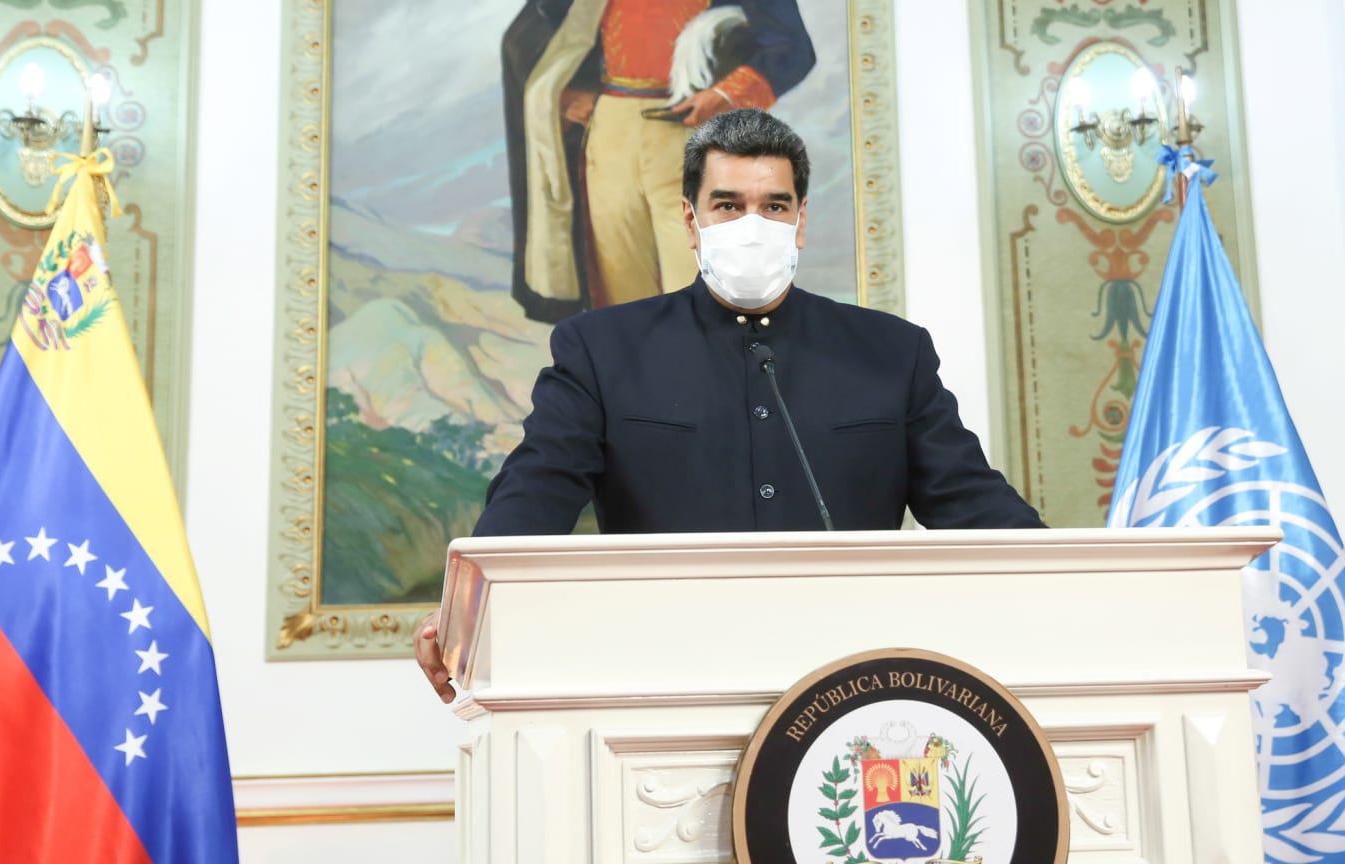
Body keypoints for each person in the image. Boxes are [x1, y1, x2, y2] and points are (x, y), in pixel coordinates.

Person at [417, 110, 1042, 700]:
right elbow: (537, 488)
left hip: (850, 682)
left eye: (774, 206)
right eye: (728, 205)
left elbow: (972, 503)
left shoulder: (890, 352)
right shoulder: (603, 349)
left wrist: (1064, 584)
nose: (753, 225)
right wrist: (465, 613)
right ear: (691, 222)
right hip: (662, 677)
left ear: (800, 220)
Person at [501, 0, 816, 324]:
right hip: (609, 136)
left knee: (700, 295)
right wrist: (566, 92)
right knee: (620, 302)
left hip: (689, 135)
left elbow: (792, 47)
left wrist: (723, 96)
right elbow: (529, 39)